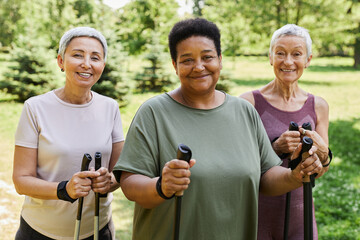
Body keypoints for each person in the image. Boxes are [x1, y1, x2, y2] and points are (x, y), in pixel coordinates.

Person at [113, 18, 323, 240]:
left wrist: (295, 175)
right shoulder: (153, 113)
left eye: (207, 57)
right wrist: (161, 186)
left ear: (220, 60)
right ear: (174, 65)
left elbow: (266, 174)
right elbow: (129, 183)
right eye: (187, 60)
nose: (199, 66)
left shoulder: (244, 112)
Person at [12, 27, 124, 240]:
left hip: (97, 230)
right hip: (40, 232)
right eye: (77, 55)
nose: (86, 64)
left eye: (95, 57)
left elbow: (119, 173)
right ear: (61, 61)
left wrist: (109, 182)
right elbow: (21, 180)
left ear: (103, 65)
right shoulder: (35, 108)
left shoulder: (111, 107)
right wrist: (65, 189)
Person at [240, 24, 331, 240]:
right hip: (257, 216)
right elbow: (240, 166)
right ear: (270, 57)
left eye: (296, 54)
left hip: (302, 217)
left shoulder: (318, 106)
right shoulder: (248, 103)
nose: (288, 61)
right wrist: (275, 148)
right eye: (280, 53)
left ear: (308, 60)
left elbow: (322, 167)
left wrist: (322, 157)